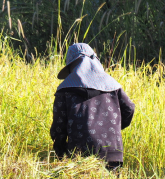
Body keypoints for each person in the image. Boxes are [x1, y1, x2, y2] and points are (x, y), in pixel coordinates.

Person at [50, 43, 135, 171]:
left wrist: (61, 153)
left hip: (79, 155)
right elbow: (129, 108)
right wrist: (113, 127)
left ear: (72, 66)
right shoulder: (113, 86)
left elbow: (59, 126)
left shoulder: (64, 90)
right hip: (112, 152)